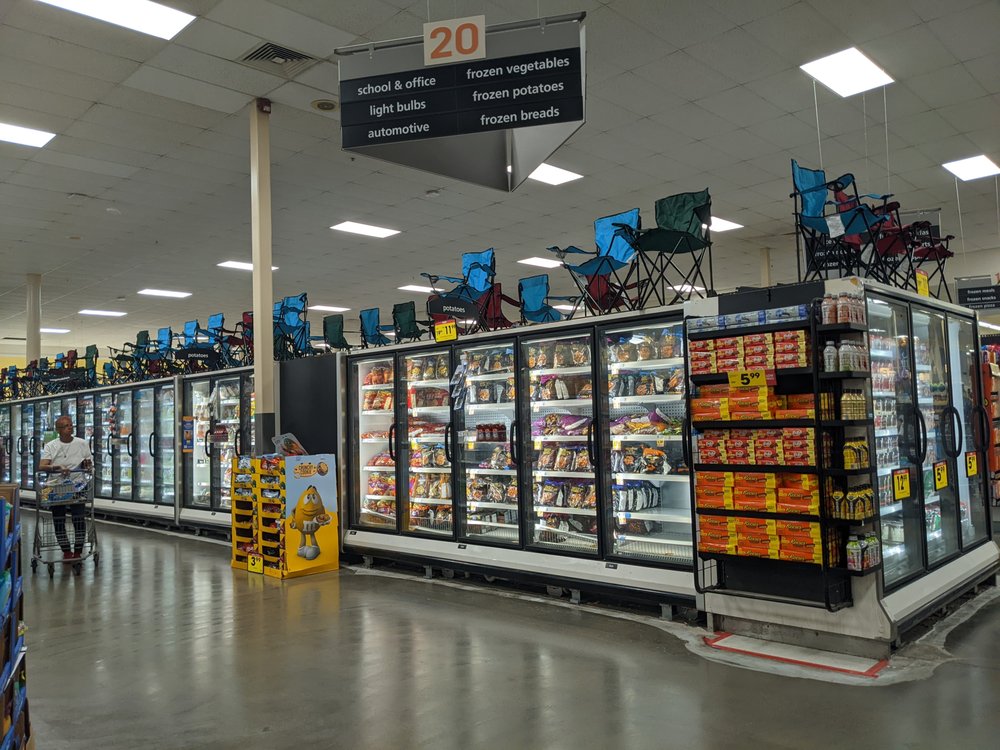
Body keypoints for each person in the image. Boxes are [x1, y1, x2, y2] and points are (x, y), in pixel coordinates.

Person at [38, 415, 92, 561]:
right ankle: (66, 550)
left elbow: (88, 463)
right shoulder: (51, 446)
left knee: (79, 518)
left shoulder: (82, 443)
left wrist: (87, 465)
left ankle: (78, 551)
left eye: (70, 425)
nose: (70, 427)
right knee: (59, 519)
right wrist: (57, 467)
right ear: (58, 430)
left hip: (78, 485)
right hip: (57, 486)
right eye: (66, 426)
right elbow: (42, 466)